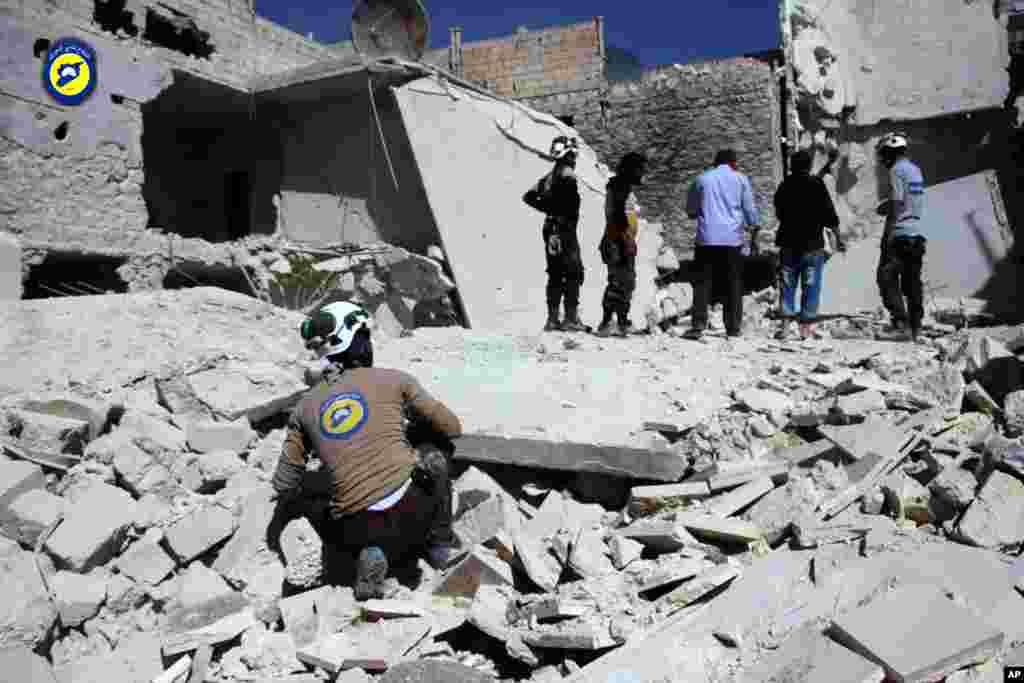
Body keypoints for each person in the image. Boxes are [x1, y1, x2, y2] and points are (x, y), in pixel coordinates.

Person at [272, 301, 463, 600]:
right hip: (415, 510)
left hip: (355, 529)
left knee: (311, 495)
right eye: (366, 336)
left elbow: (283, 484)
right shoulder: (395, 379)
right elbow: (452, 427)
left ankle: (368, 552)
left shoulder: (303, 408)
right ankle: (440, 545)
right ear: (356, 340)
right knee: (436, 447)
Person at [684, 149, 762, 339]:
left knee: (702, 282)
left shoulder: (701, 179)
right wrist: (754, 227)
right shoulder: (741, 179)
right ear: (733, 163)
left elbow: (691, 211)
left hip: (706, 238)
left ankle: (698, 325)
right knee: (733, 282)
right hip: (732, 239)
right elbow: (749, 209)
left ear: (715, 163)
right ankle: (733, 327)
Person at [772, 148, 845, 340]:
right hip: (813, 246)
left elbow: (778, 212)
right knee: (811, 285)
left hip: (789, 244)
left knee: (787, 284)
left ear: (792, 166)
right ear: (809, 165)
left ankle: (785, 327)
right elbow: (830, 215)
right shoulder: (817, 185)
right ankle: (805, 329)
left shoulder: (785, 185)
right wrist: (838, 237)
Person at [524, 136, 588, 332]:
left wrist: (549, 209)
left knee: (555, 273)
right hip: (564, 230)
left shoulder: (548, 177)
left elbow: (529, 196)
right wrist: (558, 211)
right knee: (573, 272)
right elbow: (570, 205)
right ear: (567, 155)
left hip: (550, 228)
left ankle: (552, 320)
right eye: (572, 156)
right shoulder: (568, 175)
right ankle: (570, 319)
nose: (574, 160)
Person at [875, 133, 926, 342]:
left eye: (884, 155)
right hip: (917, 232)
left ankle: (900, 325)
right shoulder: (915, 170)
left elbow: (897, 203)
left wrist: (889, 231)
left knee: (886, 277)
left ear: (890, 153)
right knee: (912, 282)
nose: (883, 160)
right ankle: (916, 327)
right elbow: (910, 200)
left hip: (899, 233)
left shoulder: (896, 170)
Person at [596, 152, 647, 337]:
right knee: (619, 282)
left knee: (625, 282)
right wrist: (626, 240)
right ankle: (607, 323)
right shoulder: (620, 187)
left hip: (620, 239)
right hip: (617, 240)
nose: (643, 173)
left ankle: (622, 322)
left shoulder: (621, 186)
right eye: (640, 169)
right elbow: (618, 216)